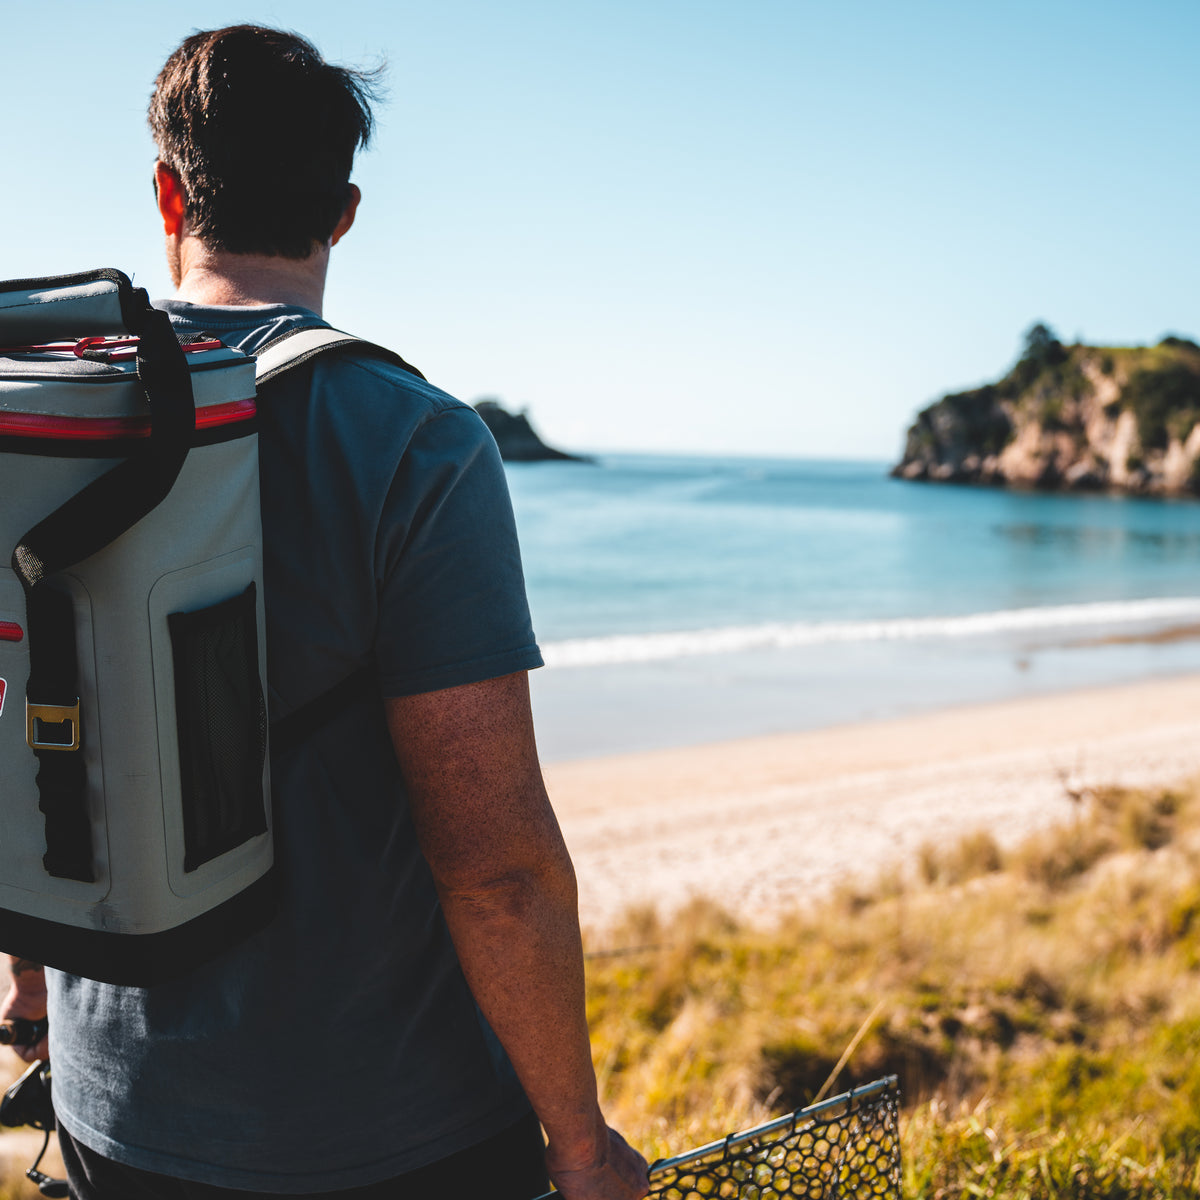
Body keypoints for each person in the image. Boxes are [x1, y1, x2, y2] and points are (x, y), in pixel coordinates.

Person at [1, 25, 649, 1200]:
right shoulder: (416, 441)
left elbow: (31, 712)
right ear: (343, 214)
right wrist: (579, 1142)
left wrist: (31, 978)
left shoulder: (43, 419)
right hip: (385, 1133)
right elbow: (498, 872)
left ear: (167, 194)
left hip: (115, 1117)